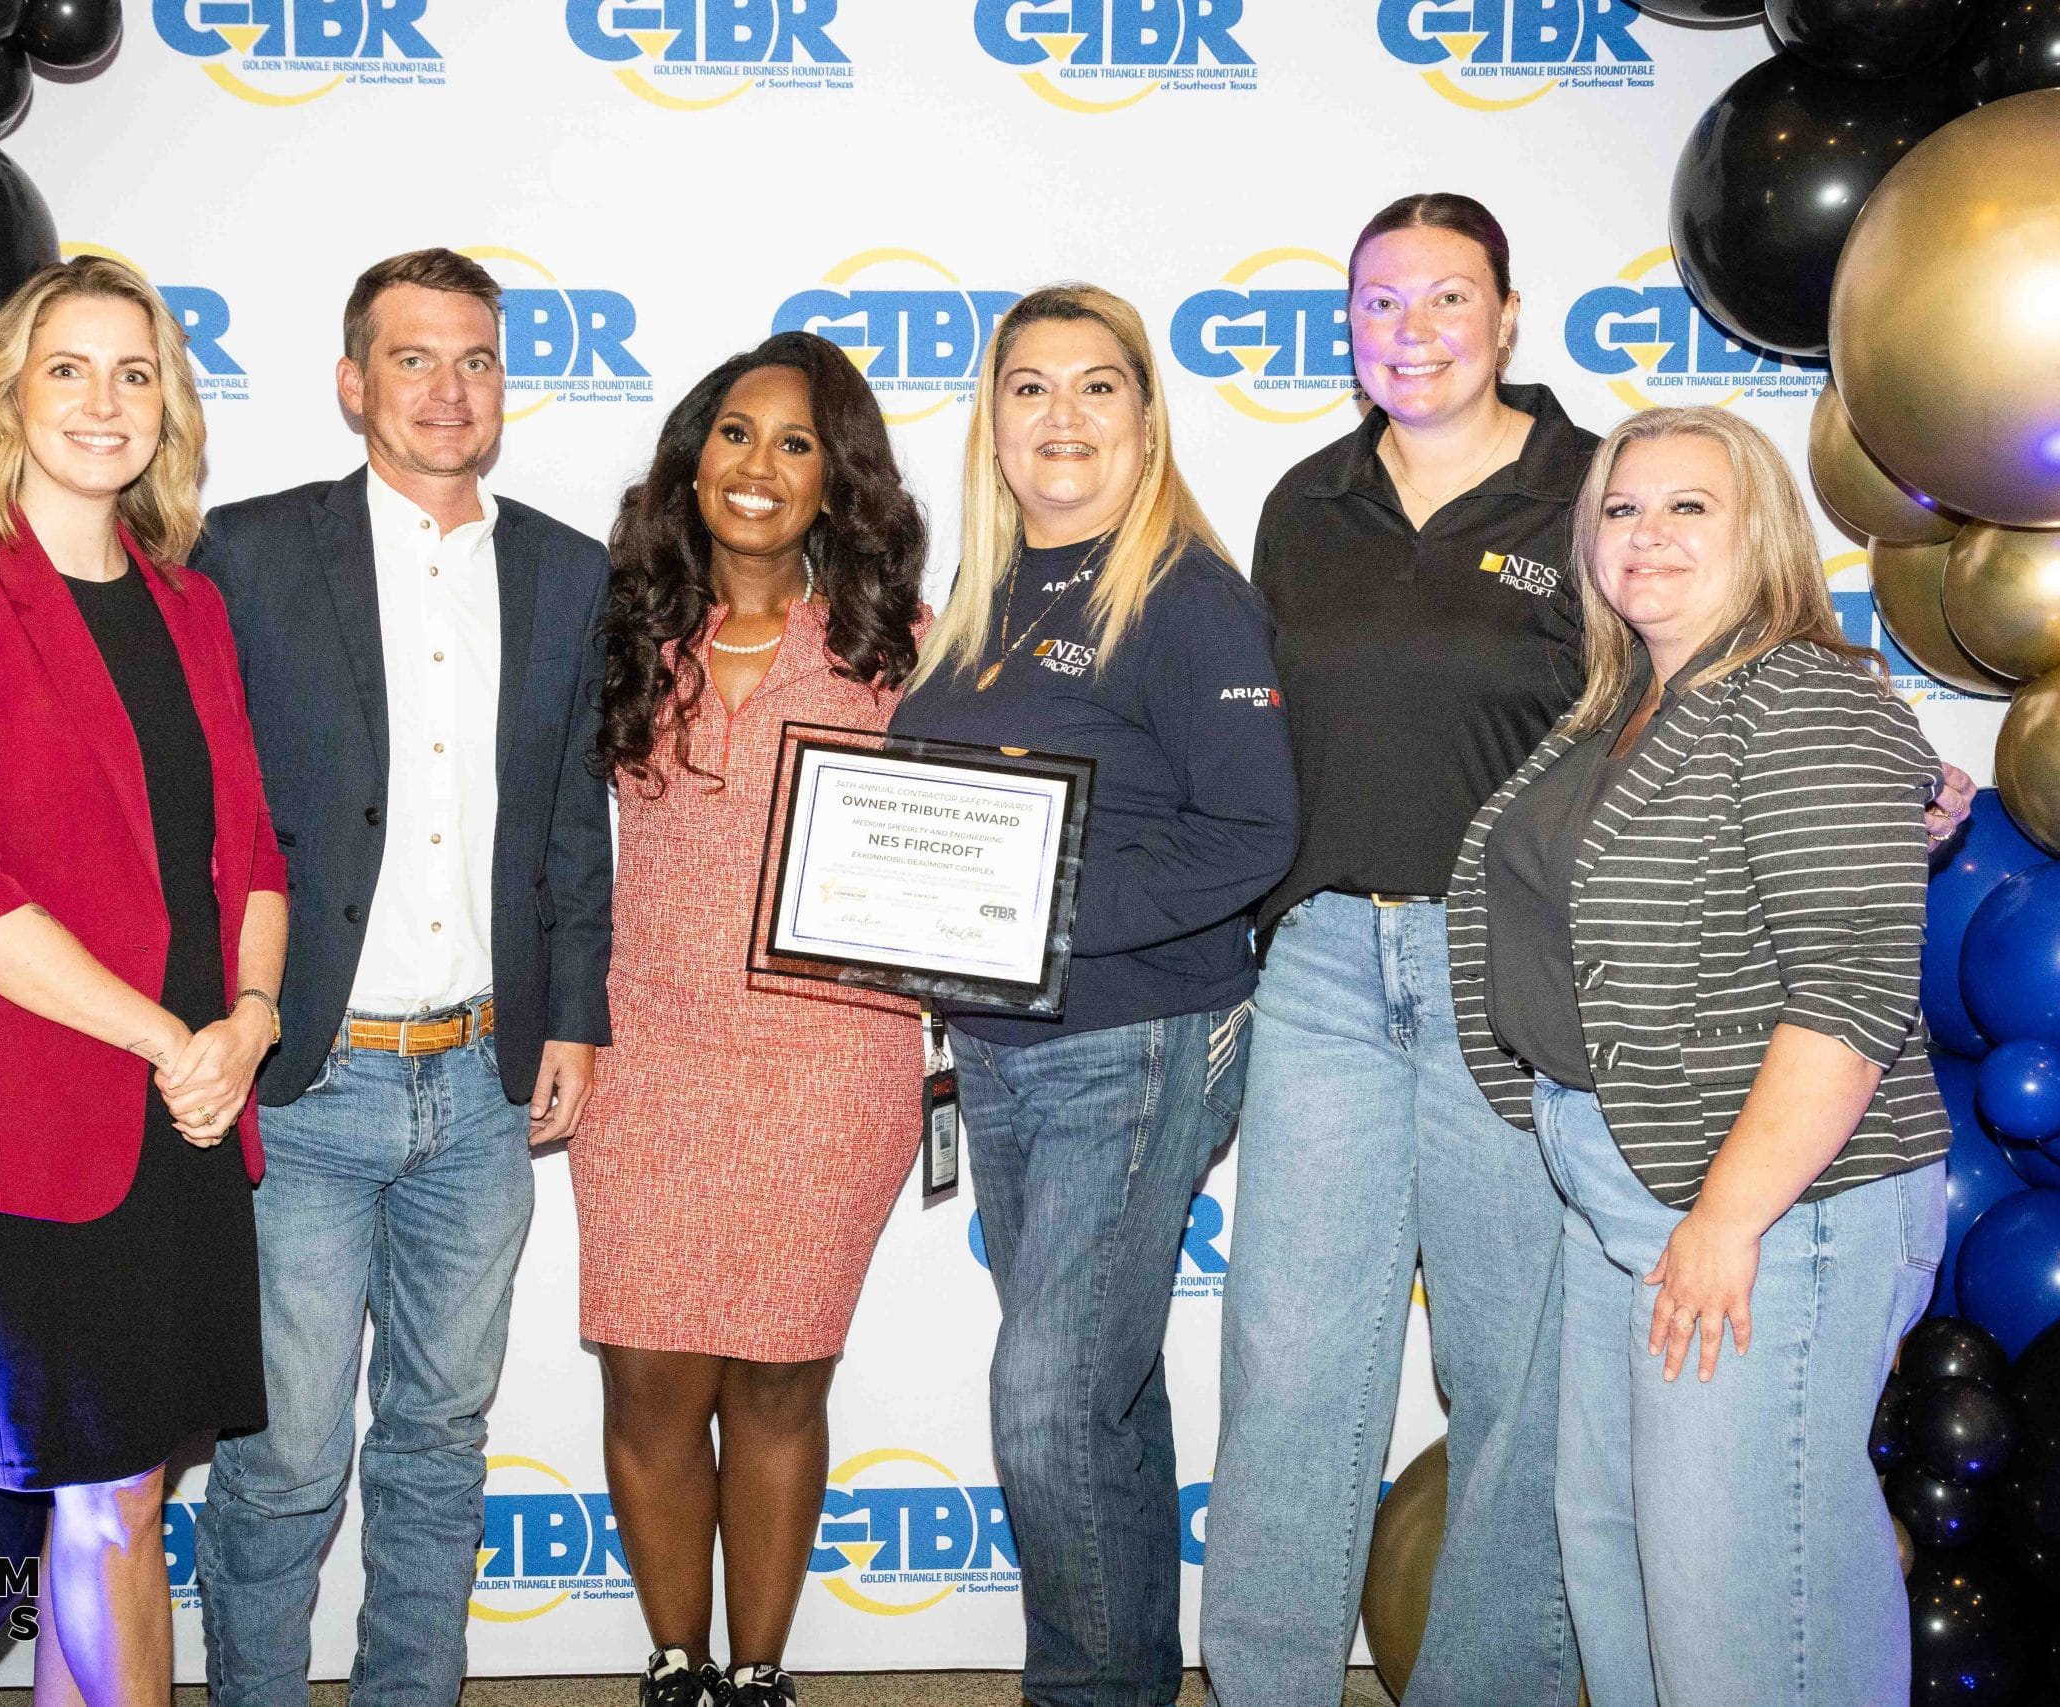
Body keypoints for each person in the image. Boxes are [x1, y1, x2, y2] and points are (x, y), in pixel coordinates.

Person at [1198, 195, 1973, 1707]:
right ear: (1346, 327)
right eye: (1379, 302)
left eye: (1448, 297)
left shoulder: (1600, 491)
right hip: (1330, 972)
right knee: (1297, 1370)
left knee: (1525, 1384)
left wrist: (1901, 769)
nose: (1412, 330)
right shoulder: (1303, 506)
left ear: (1506, 317)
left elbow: (1744, 721)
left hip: (1517, 983)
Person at [1448, 406, 1951, 1705]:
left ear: (1763, 532)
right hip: (1618, 1186)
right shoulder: (1619, 708)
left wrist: (1729, 1219)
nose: (1647, 533)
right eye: (1620, 509)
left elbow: (1849, 990)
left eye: (1688, 507)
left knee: (1748, 1610)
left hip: (1772, 1203)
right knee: (1622, 1564)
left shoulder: (1805, 698)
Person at [0, 254, 286, 1707]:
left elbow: (254, 855)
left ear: (169, 407)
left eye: (135, 372)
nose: (104, 401)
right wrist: (173, 1037)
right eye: (69, 369)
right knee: (110, 1500)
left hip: (192, 1112)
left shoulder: (192, 608)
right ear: (7, 396)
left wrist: (250, 1024)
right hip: (34, 1120)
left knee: (124, 1496)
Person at [188, 248, 615, 1707]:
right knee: (286, 1458)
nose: (448, 390)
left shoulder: (567, 571)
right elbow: (198, 818)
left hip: (486, 1084)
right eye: (414, 359)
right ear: (351, 383)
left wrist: (577, 1019)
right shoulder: (244, 554)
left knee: (439, 1444)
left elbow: (569, 819)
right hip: (302, 1081)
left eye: (476, 360)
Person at [888, 283, 1299, 1707]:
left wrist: (1034, 919)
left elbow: (1252, 835)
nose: (1061, 416)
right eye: (1030, 387)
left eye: (1097, 386)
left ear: (1146, 416)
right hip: (1001, 1047)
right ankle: (1123, 1681)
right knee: (1098, 1395)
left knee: (1050, 1399)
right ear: (993, 424)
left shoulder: (1187, 598)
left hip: (1138, 1036)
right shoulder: (987, 592)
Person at [575, 330, 930, 1707]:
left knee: (780, 1382)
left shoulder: (900, 653)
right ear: (693, 456)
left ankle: (761, 1675)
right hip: (646, 1054)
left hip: (831, 1065)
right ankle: (677, 1666)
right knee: (650, 1380)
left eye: (796, 444)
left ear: (837, 481)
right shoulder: (621, 636)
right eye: (735, 433)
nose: (759, 466)